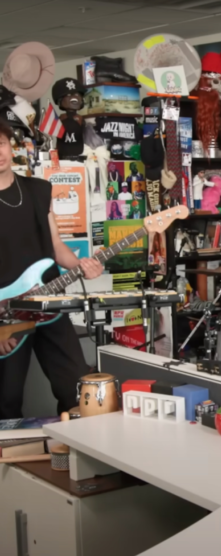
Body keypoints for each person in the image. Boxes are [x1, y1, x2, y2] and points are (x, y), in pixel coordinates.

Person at [0, 120, 103, 418]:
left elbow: (56, 246)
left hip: (49, 302)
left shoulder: (37, 190)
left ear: (10, 147)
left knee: (76, 388)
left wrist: (82, 265)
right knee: (7, 400)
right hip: (6, 314)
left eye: (1, 144)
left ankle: (74, 443)